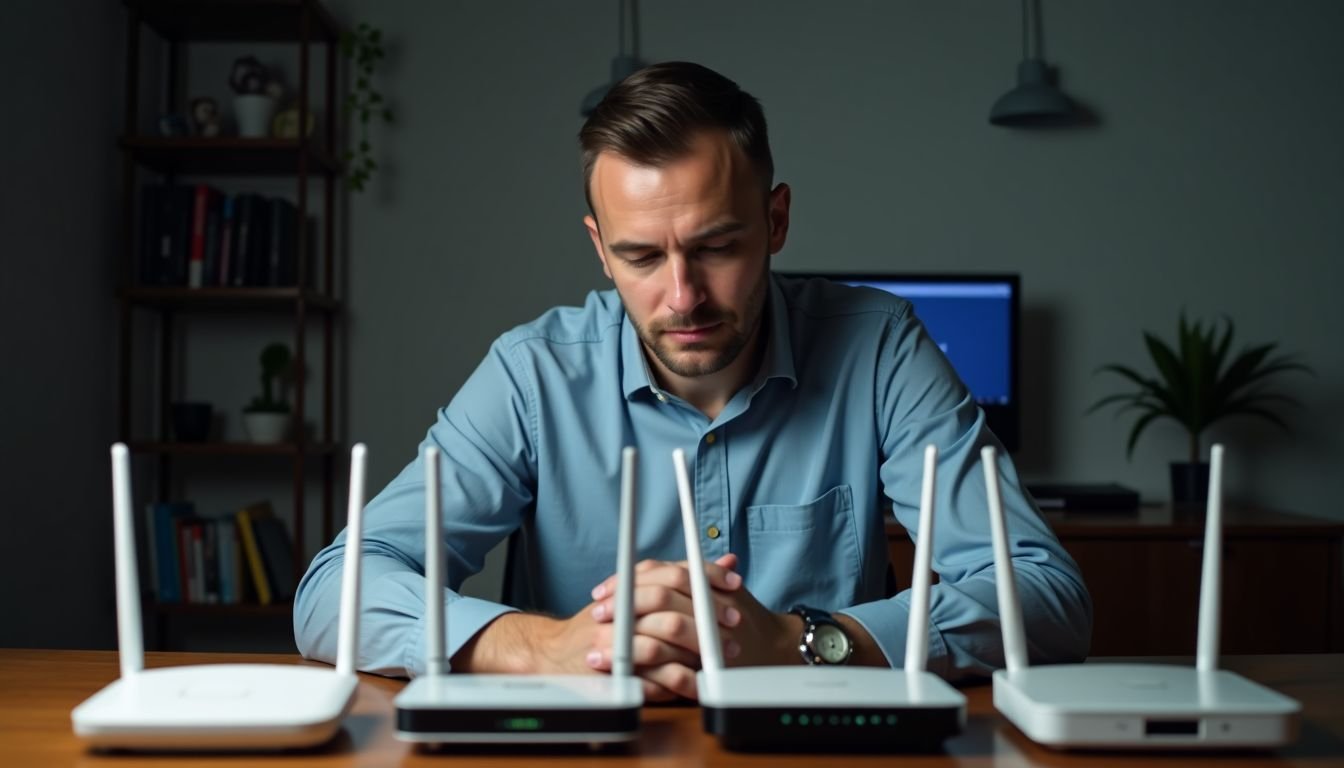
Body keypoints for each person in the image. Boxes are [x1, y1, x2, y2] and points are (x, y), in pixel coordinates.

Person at [294, 61, 1091, 701]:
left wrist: (803, 641)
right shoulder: (533, 373)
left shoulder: (878, 346)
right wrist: (547, 646)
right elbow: (335, 591)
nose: (683, 296)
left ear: (776, 221)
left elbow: (1046, 595)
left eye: (717, 246)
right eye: (640, 257)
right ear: (600, 250)